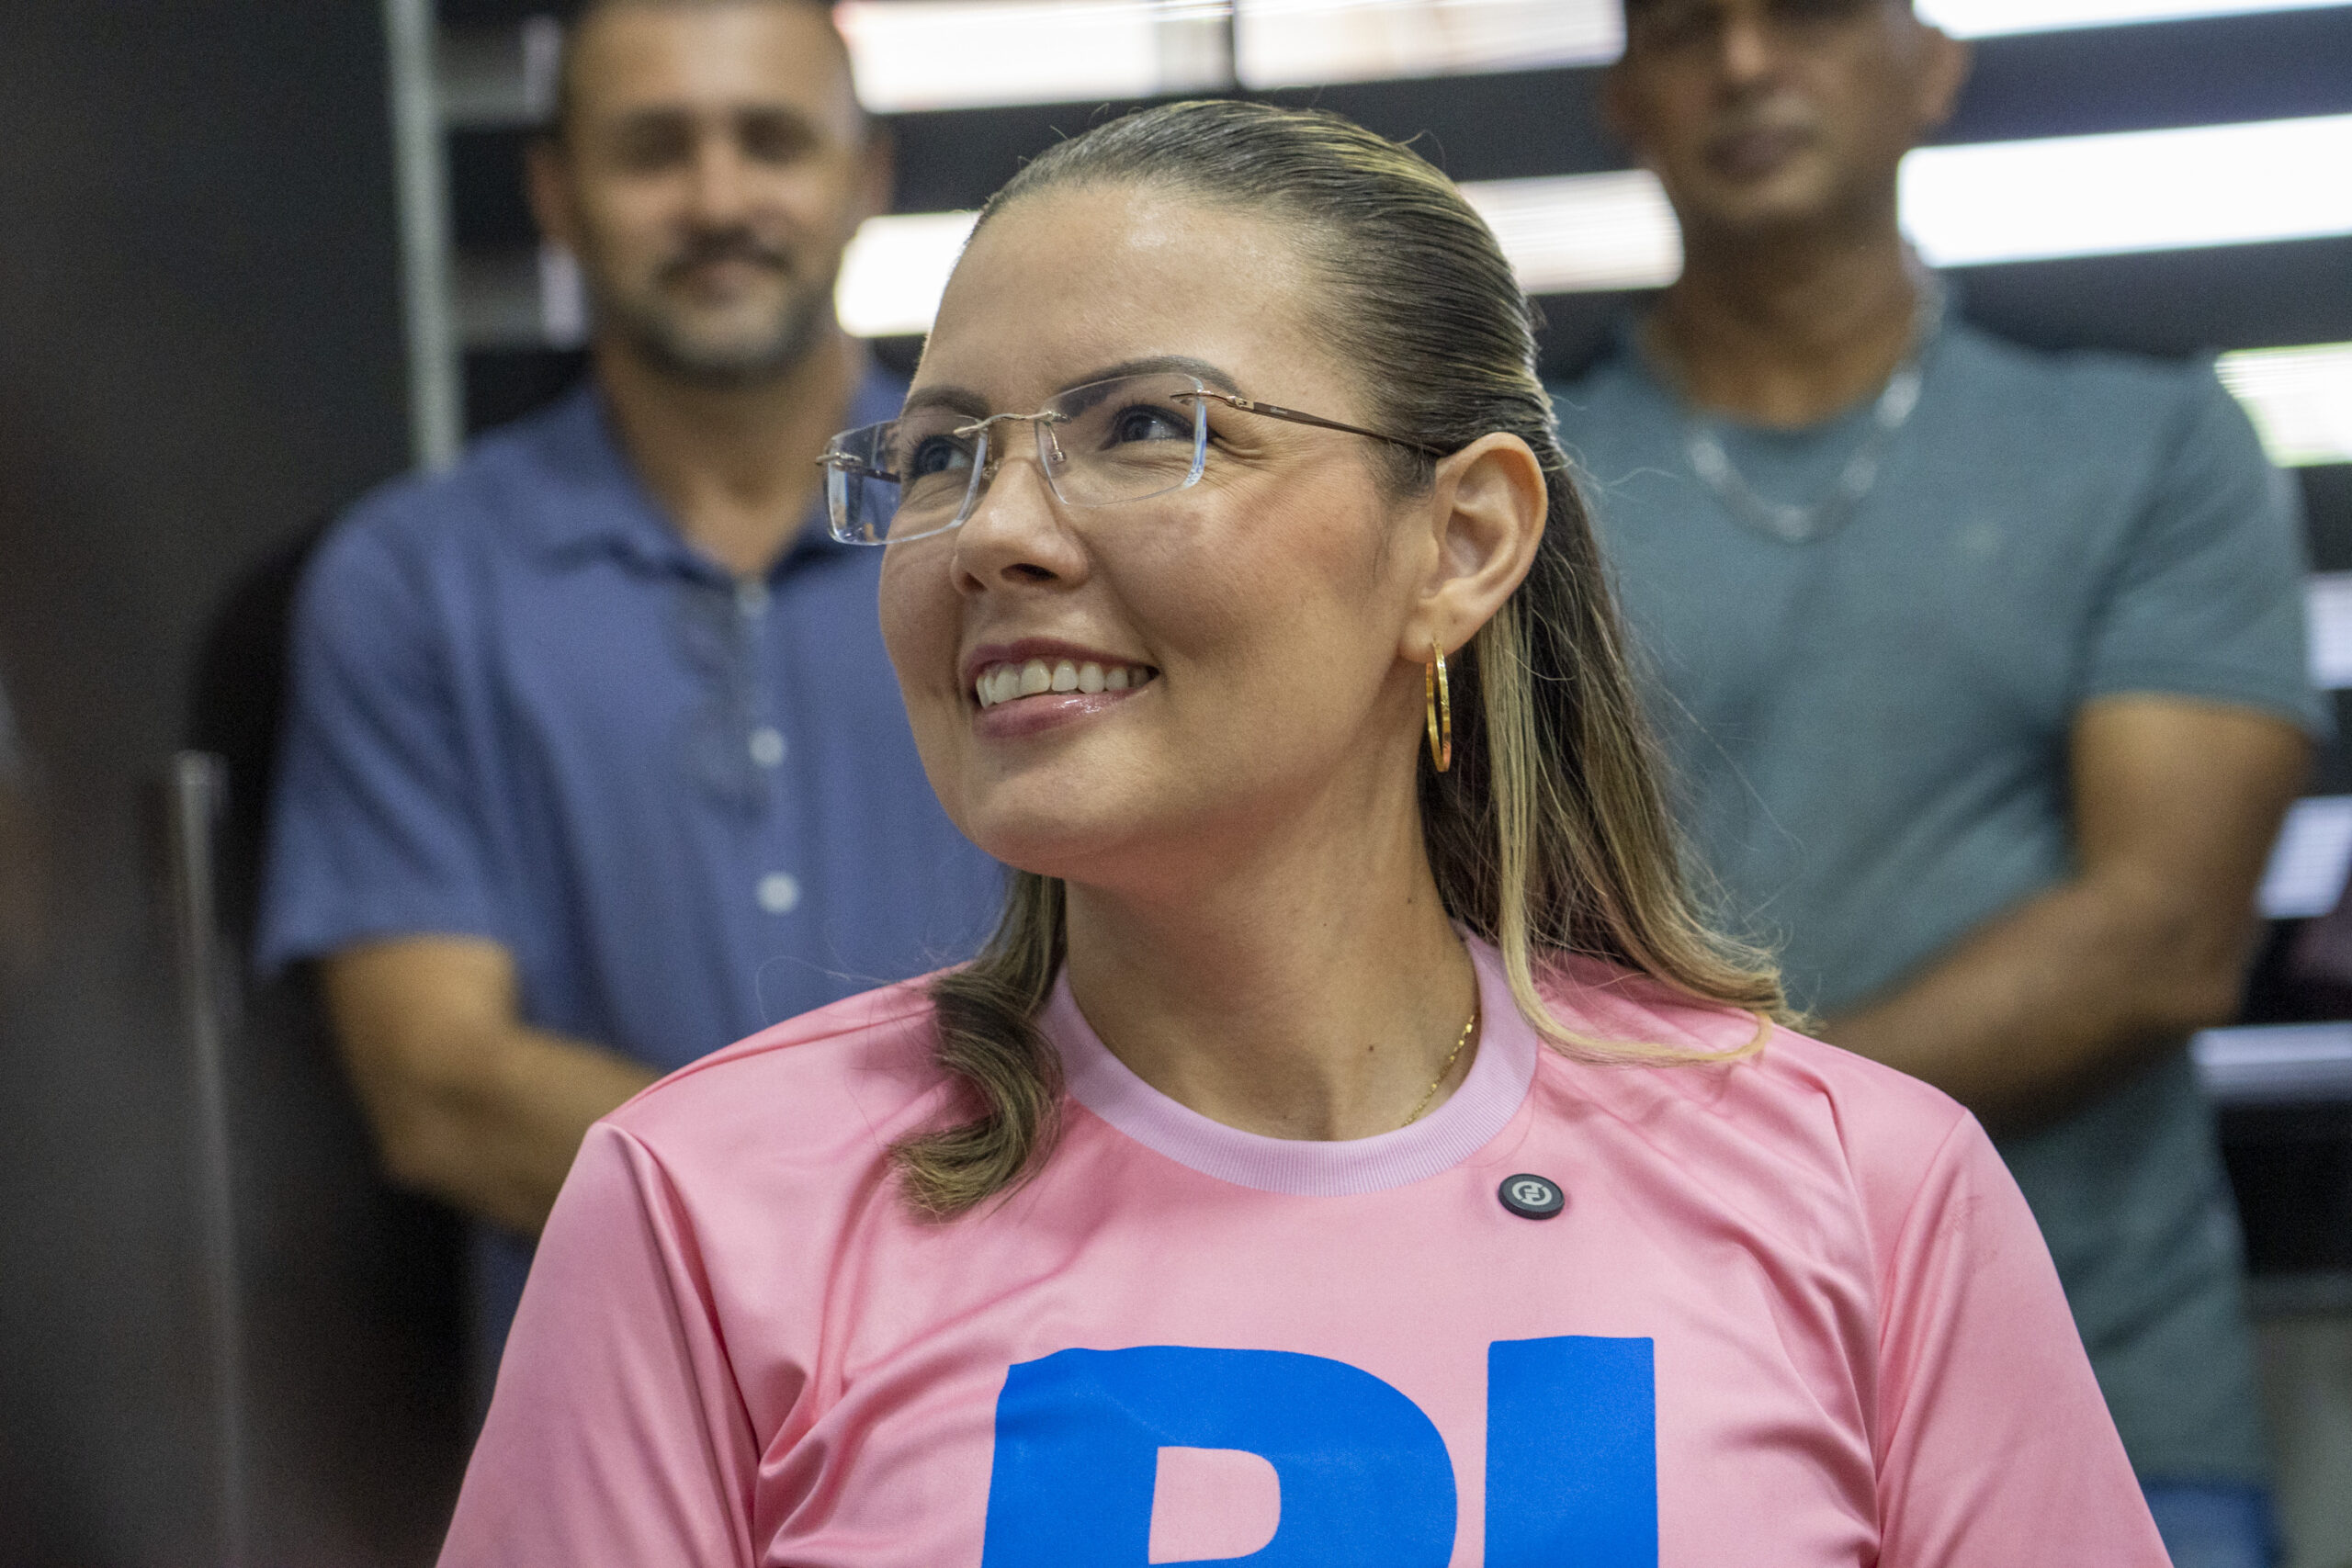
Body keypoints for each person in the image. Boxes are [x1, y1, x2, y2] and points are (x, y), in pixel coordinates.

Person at [437, 100, 2169, 1565]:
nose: (996, 533)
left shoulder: (1864, 1196)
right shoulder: (702, 1210)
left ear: (1462, 543)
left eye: (1148, 429)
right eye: (947, 455)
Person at [1555, 3, 2322, 1563]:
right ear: (1626, 99)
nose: (1747, 64)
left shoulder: (2149, 442)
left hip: (2091, 1396)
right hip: (1628, 1401)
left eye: (1812, 13)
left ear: (1935, 65)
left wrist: (1717, 1139)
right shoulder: (1508, 490)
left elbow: (2162, 938)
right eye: (1689, 28)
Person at [258, 0, 1001, 1374]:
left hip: (1021, 1405)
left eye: (770, 140)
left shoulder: (1017, 539)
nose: (717, 201)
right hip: (614, 1413)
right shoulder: (411, 583)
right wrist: (888, 1242)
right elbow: (441, 1092)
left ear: (866, 176)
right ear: (555, 195)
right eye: (654, 150)